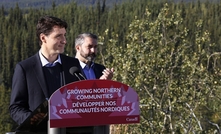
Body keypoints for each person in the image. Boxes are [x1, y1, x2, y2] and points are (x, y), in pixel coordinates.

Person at [9, 16, 81, 133]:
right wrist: (33, 120)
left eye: (64, 35)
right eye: (58, 36)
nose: (64, 40)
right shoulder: (25, 68)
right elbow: (15, 108)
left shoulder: (72, 65)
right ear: (43, 38)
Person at [74, 33, 114, 134]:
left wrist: (107, 85)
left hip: (99, 126)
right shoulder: (68, 69)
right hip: (75, 126)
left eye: (95, 47)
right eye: (89, 47)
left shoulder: (101, 69)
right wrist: (98, 84)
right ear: (78, 48)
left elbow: (107, 99)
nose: (93, 51)